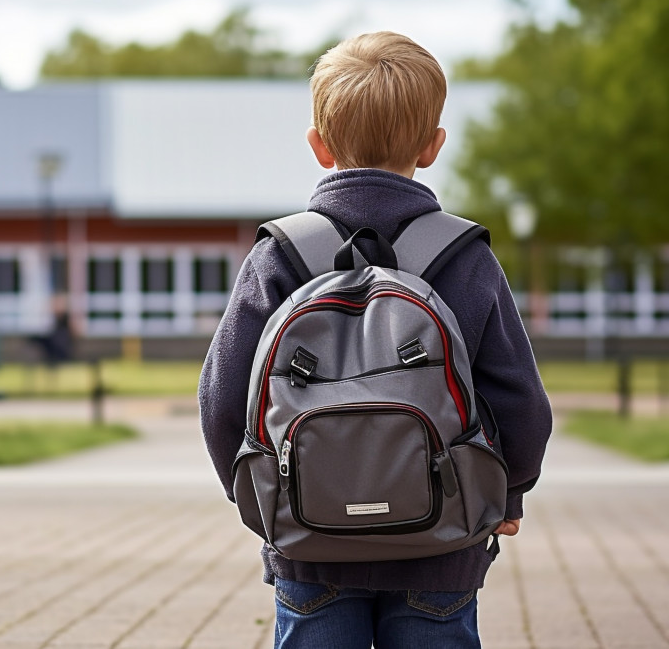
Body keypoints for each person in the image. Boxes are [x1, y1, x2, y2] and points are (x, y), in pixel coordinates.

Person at [198, 32, 552, 649]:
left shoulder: (278, 256)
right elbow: (519, 398)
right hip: (442, 540)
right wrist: (508, 491)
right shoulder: (465, 256)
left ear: (319, 145)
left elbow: (223, 397)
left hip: (309, 537)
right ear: (433, 146)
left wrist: (258, 494)